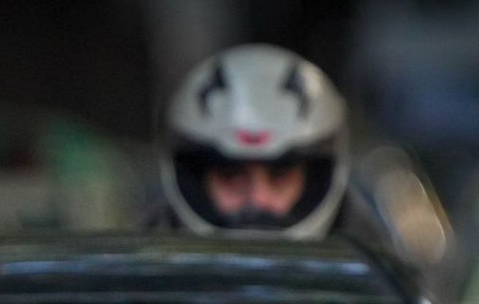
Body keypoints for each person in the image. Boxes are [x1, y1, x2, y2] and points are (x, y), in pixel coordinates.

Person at [152, 42, 389, 249]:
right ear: (194, 183)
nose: (257, 199)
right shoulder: (141, 273)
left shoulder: (377, 273)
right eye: (231, 176)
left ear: (316, 181)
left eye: (280, 176)